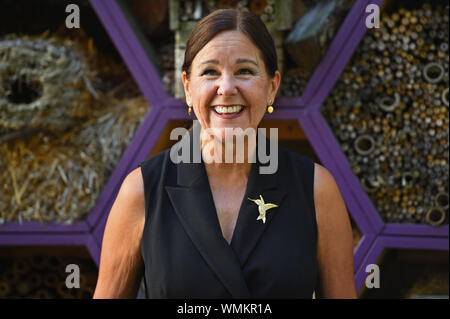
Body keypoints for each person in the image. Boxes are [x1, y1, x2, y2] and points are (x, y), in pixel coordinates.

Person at [93, 8, 356, 299]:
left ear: (272, 86)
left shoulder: (316, 189)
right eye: (210, 72)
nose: (227, 88)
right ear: (188, 88)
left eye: (245, 71)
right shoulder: (142, 190)